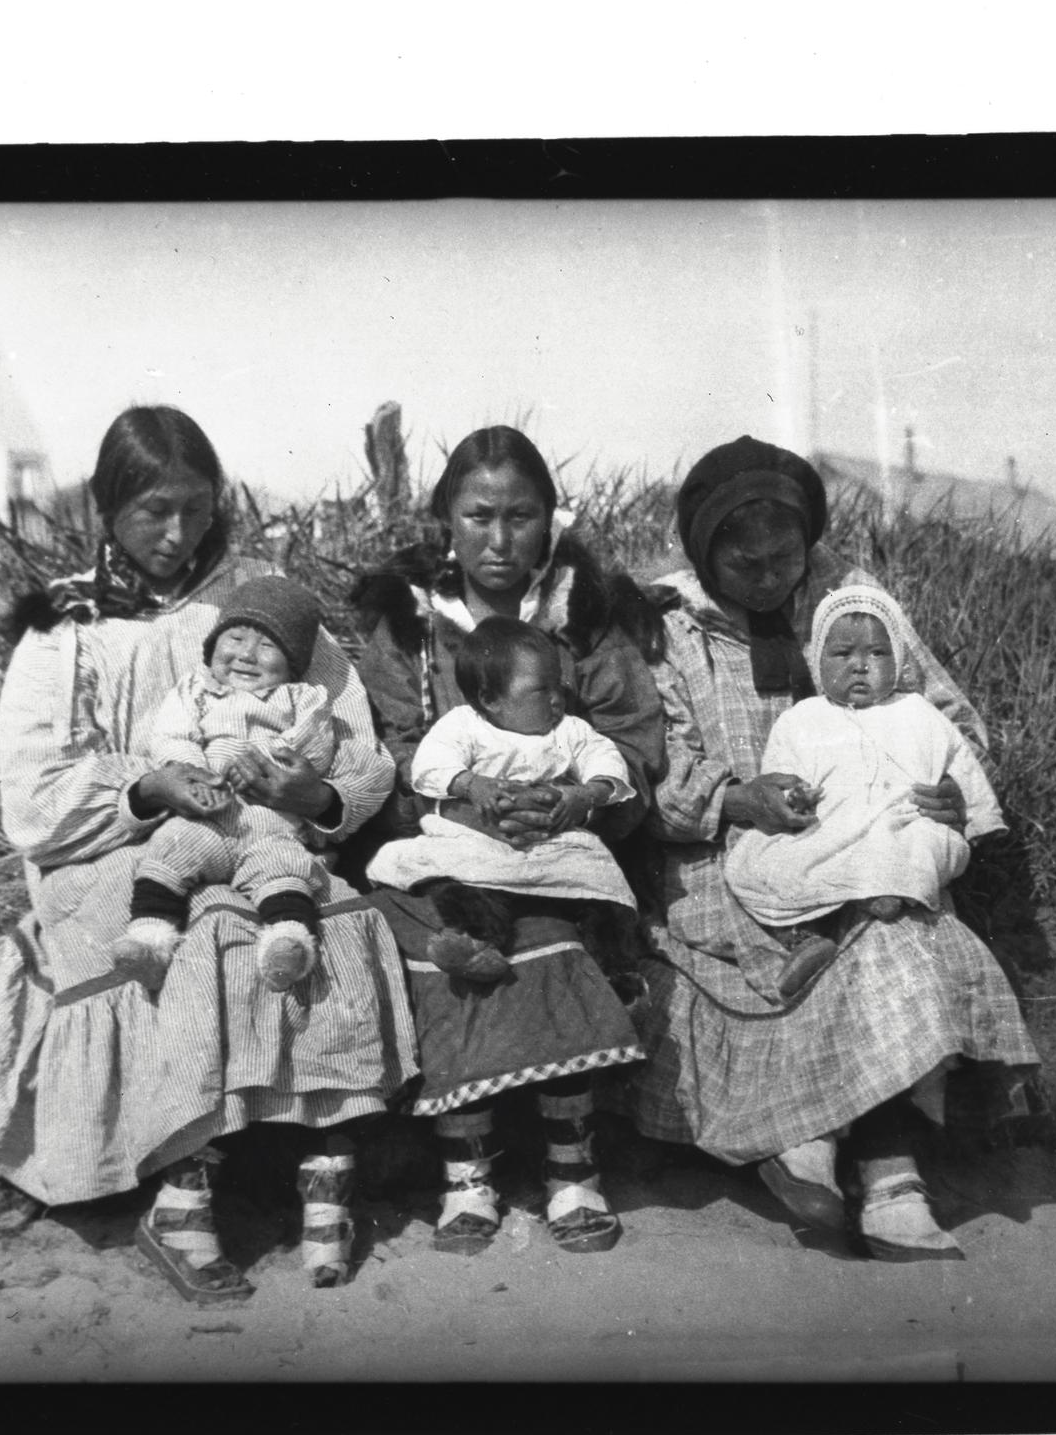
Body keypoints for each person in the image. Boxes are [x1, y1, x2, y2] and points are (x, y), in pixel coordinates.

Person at [0, 406, 419, 1303]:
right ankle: (185, 1187)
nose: (178, 534)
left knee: (302, 909)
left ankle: (318, 1158)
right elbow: (38, 800)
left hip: (263, 832)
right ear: (105, 508)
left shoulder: (262, 605)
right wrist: (153, 786)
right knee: (193, 926)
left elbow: (359, 750)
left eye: (198, 508)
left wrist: (314, 796)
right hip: (111, 848)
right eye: (152, 512)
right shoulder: (68, 626)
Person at [636, 436, 1038, 1261]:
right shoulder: (670, 626)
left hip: (866, 836)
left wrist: (950, 789)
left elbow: (944, 714)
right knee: (762, 942)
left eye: (785, 556)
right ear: (704, 551)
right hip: (726, 846)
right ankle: (808, 1140)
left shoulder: (851, 601)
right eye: (742, 562)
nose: (767, 577)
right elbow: (655, 767)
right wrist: (734, 797)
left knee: (893, 927)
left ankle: (891, 1173)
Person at [347, 425, 664, 1257]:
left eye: (521, 516)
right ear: (445, 519)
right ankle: (469, 1171)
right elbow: (389, 745)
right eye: (478, 515)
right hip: (448, 844)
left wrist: (572, 800)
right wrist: (469, 806)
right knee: (450, 951)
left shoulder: (584, 614)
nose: (499, 539)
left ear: (549, 519)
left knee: (555, 940)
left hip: (564, 843)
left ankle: (571, 1165)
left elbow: (633, 738)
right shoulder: (409, 626)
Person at [726, 583, 1011, 1006]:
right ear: (817, 659)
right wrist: (795, 797)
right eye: (842, 654)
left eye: (877, 654)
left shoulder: (917, 712)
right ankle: (805, 937)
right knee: (753, 864)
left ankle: (886, 889)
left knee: (923, 844)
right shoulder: (802, 718)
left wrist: (983, 821)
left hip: (900, 818)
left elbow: (961, 765)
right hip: (830, 822)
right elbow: (782, 775)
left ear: (898, 658)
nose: (860, 666)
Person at [364, 615, 642, 981]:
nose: (557, 699)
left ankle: (619, 974)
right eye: (541, 690)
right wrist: (471, 785)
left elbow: (604, 757)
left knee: (606, 889)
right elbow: (428, 765)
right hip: (478, 844)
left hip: (554, 845)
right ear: (490, 699)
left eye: (559, 686)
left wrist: (586, 794)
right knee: (458, 883)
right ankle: (475, 947)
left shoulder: (569, 730)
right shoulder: (463, 725)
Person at [113, 574, 341, 994]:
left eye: (268, 646)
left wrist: (263, 762)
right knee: (169, 849)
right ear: (213, 645)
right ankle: (149, 943)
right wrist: (195, 773)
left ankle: (287, 945)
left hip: (270, 821)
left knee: (285, 869)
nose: (247, 655)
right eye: (234, 638)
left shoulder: (303, 699)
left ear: (293, 662)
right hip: (207, 815)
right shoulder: (194, 690)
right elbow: (171, 735)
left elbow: (315, 746)